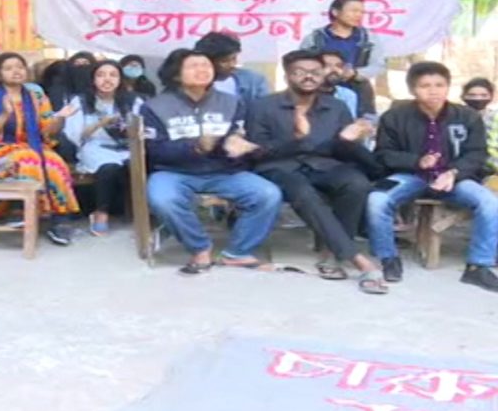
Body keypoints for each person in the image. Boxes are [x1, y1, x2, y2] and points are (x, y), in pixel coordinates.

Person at [246, 50, 387, 294]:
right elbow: (257, 152)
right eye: (300, 72)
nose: (309, 77)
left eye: (315, 72)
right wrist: (297, 139)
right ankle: (357, 259)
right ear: (287, 76)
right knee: (303, 192)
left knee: (356, 183)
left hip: (324, 165)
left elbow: (340, 150)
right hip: (279, 167)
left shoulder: (336, 106)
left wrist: (349, 139)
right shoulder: (263, 106)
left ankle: (332, 252)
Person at [143, 49, 281, 273]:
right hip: (174, 172)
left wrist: (239, 147)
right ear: (176, 74)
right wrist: (195, 147)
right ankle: (199, 248)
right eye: (193, 66)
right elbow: (154, 150)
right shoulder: (155, 107)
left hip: (224, 171)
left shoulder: (232, 103)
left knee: (268, 194)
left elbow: (238, 137)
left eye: (206, 65)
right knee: (162, 198)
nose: (202, 70)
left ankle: (238, 252)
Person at [367, 62, 498, 291]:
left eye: (439, 85)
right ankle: (388, 258)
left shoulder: (467, 116)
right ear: (412, 89)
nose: (433, 91)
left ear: (448, 87)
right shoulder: (394, 117)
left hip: (454, 178)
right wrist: (416, 161)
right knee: (377, 200)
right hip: (410, 176)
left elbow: (477, 153)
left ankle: (478, 266)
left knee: (489, 202)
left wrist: (454, 172)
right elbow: (383, 154)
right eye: (425, 86)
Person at [0, 53, 81, 245]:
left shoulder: (36, 95)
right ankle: (23, 212)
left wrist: (60, 117)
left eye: (20, 67)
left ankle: (59, 219)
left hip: (33, 146)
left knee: (55, 162)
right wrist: (5, 114)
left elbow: (47, 131)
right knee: (28, 160)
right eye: (9, 68)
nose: (16, 71)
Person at [63, 61, 146, 236]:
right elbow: (75, 134)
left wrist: (127, 129)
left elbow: (143, 129)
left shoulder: (133, 100)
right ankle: (101, 213)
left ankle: (139, 213)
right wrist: (101, 123)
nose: (107, 79)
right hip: (95, 146)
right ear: (93, 79)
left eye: (113, 75)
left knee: (136, 165)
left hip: (126, 147)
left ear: (120, 79)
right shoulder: (81, 101)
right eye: (101, 75)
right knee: (109, 167)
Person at [299, 0, 382, 116]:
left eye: (361, 12)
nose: (358, 15)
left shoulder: (368, 38)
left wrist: (355, 74)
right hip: (321, 93)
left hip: (359, 92)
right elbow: (301, 65)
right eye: (353, 11)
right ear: (335, 12)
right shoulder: (315, 38)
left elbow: (378, 66)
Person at [194, 31, 270, 105]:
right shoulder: (191, 83)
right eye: (224, 61)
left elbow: (264, 110)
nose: (232, 64)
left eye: (234, 58)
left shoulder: (254, 81)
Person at [320, 49, 361, 118]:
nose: (334, 69)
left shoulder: (347, 95)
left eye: (338, 66)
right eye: (327, 65)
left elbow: (349, 122)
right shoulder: (306, 94)